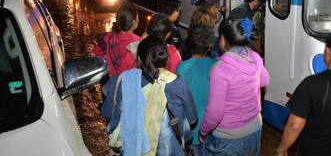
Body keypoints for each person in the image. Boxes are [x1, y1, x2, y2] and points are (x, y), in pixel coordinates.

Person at [102, 36, 197, 156]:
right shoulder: (177, 82)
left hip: (132, 149)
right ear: (166, 60)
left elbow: (106, 113)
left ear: (139, 59)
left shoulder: (123, 80)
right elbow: (192, 119)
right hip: (170, 150)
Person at [199, 18, 270, 156]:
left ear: (224, 40)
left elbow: (215, 112)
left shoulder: (220, 69)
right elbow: (265, 80)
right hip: (255, 129)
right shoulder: (254, 57)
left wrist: (203, 131)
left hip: (229, 138)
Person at [176, 25, 217, 155]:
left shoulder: (181, 68)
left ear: (189, 45)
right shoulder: (217, 66)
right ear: (210, 47)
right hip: (212, 130)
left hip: (191, 131)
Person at [93, 3, 140, 76]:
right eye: (137, 18)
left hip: (113, 80)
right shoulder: (136, 41)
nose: (138, 20)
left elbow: (97, 51)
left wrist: (108, 59)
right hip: (128, 83)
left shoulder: (110, 36)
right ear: (133, 22)